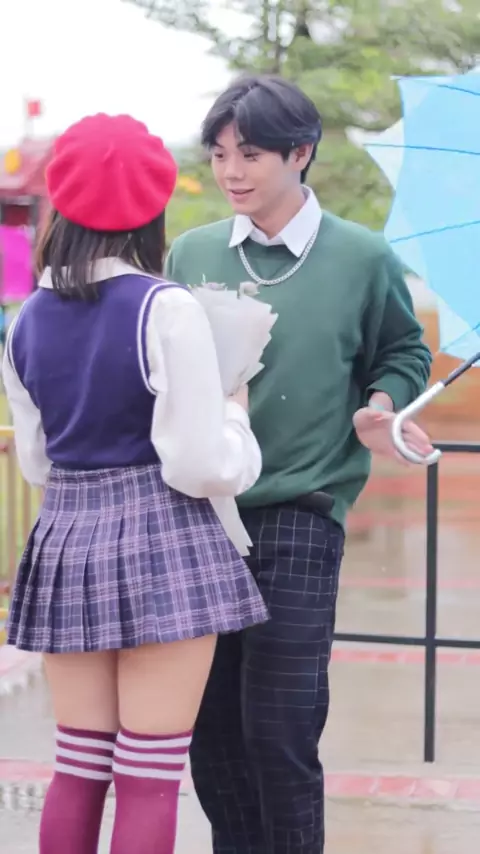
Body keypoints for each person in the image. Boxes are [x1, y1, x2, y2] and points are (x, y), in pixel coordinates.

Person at [165, 74, 434, 854]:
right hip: (201, 518)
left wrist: (381, 405)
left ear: (301, 152)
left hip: (302, 512)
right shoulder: (193, 253)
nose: (231, 171)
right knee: (212, 735)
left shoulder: (361, 257)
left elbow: (403, 351)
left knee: (279, 730)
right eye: (220, 154)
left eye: (250, 154)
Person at [1, 113, 269, 854]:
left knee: (79, 766)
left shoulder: (27, 319)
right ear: (151, 208)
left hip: (66, 536)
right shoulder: (166, 306)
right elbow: (197, 463)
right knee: (149, 775)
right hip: (162, 539)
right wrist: (235, 415)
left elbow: (38, 463)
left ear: (62, 202)